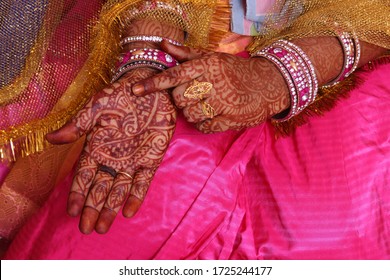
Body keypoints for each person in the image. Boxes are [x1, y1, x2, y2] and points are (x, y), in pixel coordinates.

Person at [2, 0, 390, 259]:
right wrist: (145, 62)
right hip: (162, 21)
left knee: (329, 223)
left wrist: (278, 77)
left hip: (349, 58)